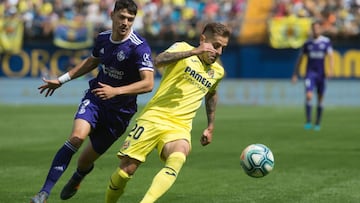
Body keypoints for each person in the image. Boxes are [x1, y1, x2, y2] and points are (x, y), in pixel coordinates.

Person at [30, 0, 154, 202]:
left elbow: (148, 83)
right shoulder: (103, 38)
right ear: (112, 15)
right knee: (76, 138)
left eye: (130, 19)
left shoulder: (139, 47)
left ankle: (78, 176)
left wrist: (117, 91)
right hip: (96, 100)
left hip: (119, 115)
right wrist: (61, 80)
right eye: (122, 17)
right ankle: (43, 193)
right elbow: (92, 61)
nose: (125, 22)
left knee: (84, 161)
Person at [105, 22, 231, 203]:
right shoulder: (182, 48)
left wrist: (210, 125)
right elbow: (158, 60)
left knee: (179, 156)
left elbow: (211, 93)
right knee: (126, 171)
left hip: (179, 127)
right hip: (153, 117)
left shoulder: (218, 71)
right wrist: (193, 52)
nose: (218, 52)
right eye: (216, 45)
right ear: (203, 39)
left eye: (223, 48)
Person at [292, 21, 334, 131]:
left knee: (320, 99)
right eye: (314, 28)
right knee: (309, 96)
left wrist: (330, 70)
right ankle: (308, 121)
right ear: (312, 29)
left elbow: (331, 56)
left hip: (321, 74)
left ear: (320, 29)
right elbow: (300, 59)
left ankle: (318, 122)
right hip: (310, 74)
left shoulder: (326, 42)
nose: (315, 30)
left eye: (317, 28)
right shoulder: (307, 43)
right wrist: (295, 74)